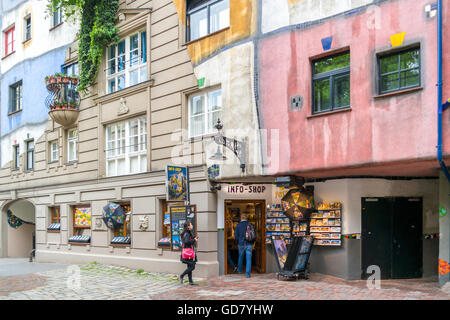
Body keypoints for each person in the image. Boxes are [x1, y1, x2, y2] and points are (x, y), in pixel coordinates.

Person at [234, 213, 255, 278]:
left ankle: (240, 270)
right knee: (248, 258)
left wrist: (237, 242)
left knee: (240, 257)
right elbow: (253, 234)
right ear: (246, 218)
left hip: (241, 243)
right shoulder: (250, 224)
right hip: (249, 243)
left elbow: (236, 236)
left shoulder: (238, 225)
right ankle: (248, 274)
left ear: (241, 218)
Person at [179, 220, 198, 285]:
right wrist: (194, 240)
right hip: (188, 252)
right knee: (192, 266)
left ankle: (190, 281)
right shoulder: (187, 233)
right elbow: (187, 241)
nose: (192, 225)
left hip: (188, 252)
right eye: (191, 224)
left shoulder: (187, 233)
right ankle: (182, 275)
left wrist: (193, 239)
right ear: (188, 226)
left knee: (189, 266)